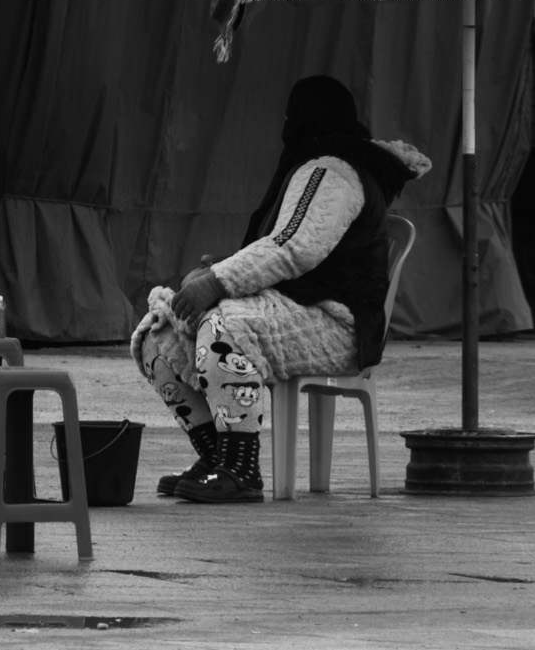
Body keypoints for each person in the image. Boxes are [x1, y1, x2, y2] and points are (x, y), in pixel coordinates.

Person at [131, 75, 429, 504]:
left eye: (291, 116)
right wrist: (216, 272)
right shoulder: (317, 164)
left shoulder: (333, 171)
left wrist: (217, 282)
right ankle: (215, 457)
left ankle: (241, 469)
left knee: (222, 327)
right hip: (294, 307)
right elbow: (280, 246)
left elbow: (293, 249)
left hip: (336, 323)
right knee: (158, 335)